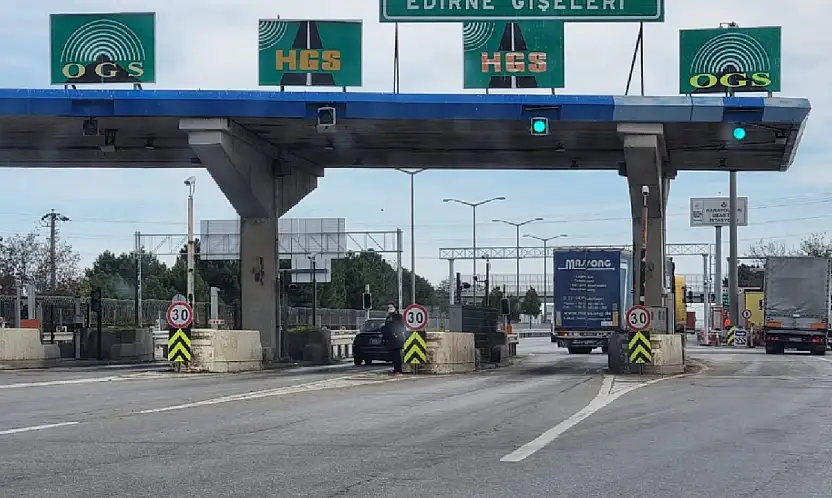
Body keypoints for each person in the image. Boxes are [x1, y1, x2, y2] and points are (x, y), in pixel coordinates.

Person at [382, 302, 405, 374]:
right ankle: (395, 369)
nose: (389, 309)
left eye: (391, 307)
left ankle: (398, 369)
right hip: (390, 340)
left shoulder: (398, 316)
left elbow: (401, 327)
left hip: (397, 339)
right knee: (393, 356)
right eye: (388, 308)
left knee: (397, 356)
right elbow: (386, 328)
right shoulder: (388, 318)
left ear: (395, 308)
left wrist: (397, 334)